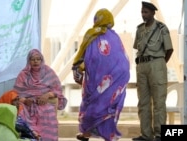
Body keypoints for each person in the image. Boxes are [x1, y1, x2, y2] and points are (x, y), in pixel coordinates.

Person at [72, 8, 130, 141]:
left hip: (99, 79)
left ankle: (87, 133)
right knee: (109, 105)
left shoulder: (92, 34)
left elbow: (87, 56)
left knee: (93, 104)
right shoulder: (115, 36)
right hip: (119, 77)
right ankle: (109, 135)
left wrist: (78, 68)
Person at [132, 2, 173, 141]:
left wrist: (160, 64)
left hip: (157, 64)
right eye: (142, 12)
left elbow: (169, 49)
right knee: (143, 102)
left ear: (153, 13)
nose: (143, 15)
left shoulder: (161, 28)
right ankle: (146, 135)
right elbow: (137, 49)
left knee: (159, 102)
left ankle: (160, 134)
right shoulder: (139, 30)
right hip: (142, 66)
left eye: (146, 12)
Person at [13, 48, 67, 141]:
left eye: (38, 59)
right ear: (28, 61)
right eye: (33, 59)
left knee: (48, 112)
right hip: (27, 105)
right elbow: (16, 94)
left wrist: (47, 95)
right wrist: (25, 100)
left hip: (45, 102)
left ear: (42, 60)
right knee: (21, 114)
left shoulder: (48, 72)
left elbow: (57, 90)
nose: (35, 62)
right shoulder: (23, 74)